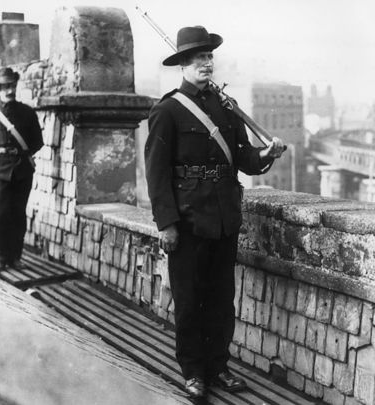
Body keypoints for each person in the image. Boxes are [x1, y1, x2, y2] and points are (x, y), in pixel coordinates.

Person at [145, 26, 285, 398]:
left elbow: (243, 158)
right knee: (190, 301)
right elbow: (156, 174)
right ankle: (193, 372)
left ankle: (219, 367)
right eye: (198, 58)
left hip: (224, 218)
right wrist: (167, 224)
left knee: (222, 300)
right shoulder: (167, 110)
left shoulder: (226, 108)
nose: (206, 63)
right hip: (188, 221)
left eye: (209, 57)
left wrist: (265, 155)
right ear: (183, 65)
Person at [0, 67, 43, 273]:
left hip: (22, 172)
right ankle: (0, 257)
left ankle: (15, 257)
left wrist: (18, 155)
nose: (9, 90)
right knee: (0, 215)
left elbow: (36, 142)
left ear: (15, 86)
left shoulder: (27, 113)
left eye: (12, 85)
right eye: (5, 86)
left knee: (18, 214)